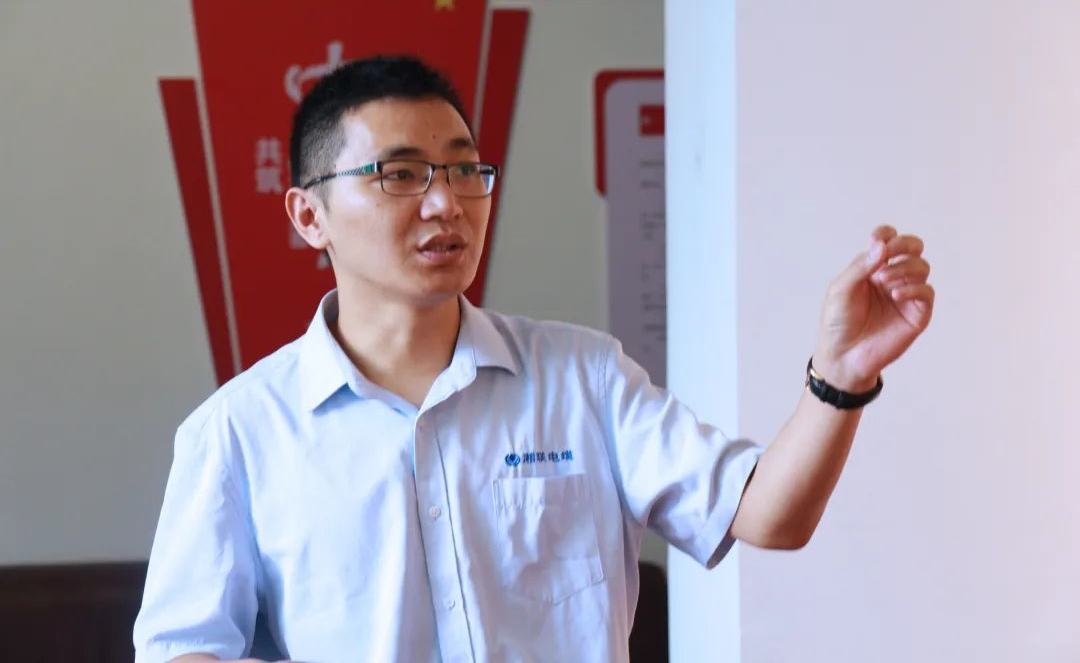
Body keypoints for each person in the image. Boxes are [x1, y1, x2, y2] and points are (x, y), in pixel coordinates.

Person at [133, 56, 935, 662]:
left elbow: (768, 515)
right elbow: (183, 648)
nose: (447, 202)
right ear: (310, 215)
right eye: (401, 175)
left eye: (464, 170)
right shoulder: (238, 433)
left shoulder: (583, 378)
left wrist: (842, 375)